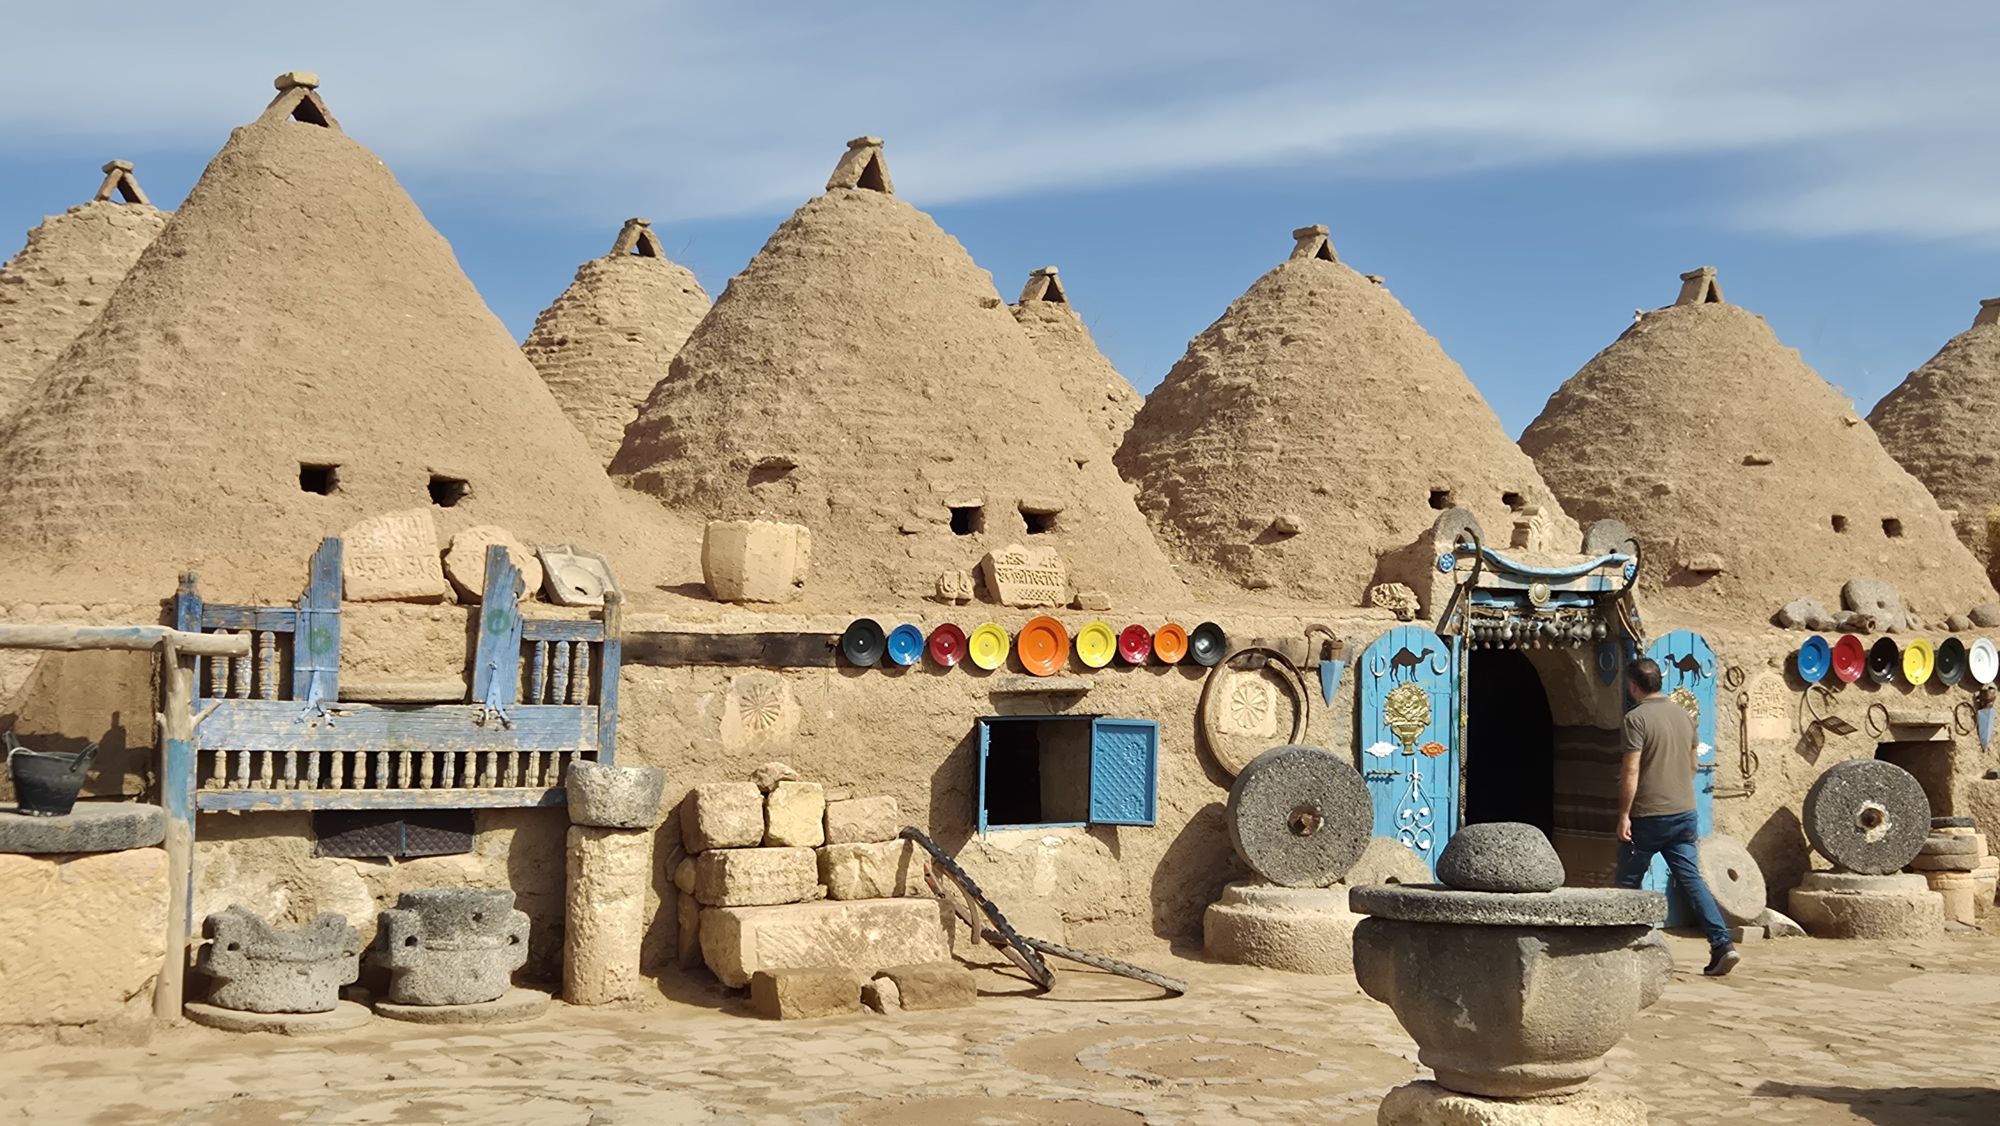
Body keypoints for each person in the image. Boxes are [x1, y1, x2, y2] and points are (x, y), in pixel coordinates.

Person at [1615, 657, 1738, 977]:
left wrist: (1624, 814)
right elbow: (1694, 765)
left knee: (1628, 882)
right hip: (1685, 813)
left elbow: (1631, 770)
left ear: (1632, 685)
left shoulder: (1636, 719)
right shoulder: (1685, 715)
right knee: (1692, 880)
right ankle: (1722, 943)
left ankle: (1621, 950)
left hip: (1648, 815)